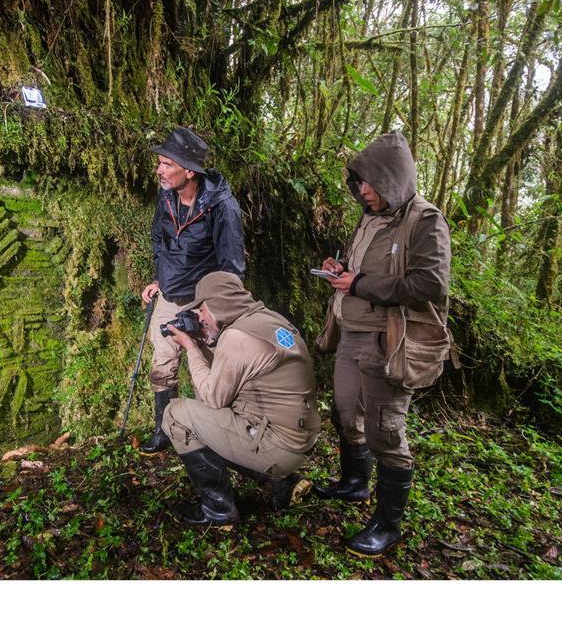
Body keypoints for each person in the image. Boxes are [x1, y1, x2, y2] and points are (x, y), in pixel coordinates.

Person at [315, 131, 451, 558]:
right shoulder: (370, 216)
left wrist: (361, 283)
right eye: (359, 182)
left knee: (384, 430)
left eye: (370, 183)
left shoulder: (425, 221)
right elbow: (360, 270)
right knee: (345, 412)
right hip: (350, 333)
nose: (363, 191)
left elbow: (431, 283)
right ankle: (355, 483)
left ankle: (388, 524)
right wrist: (342, 268)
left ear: (393, 179)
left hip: (389, 341)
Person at [160, 271, 321, 525]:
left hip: (279, 446)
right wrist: (207, 342)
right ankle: (283, 483)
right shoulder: (269, 320)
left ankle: (217, 510)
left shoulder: (237, 337)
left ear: (215, 305)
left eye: (201, 311)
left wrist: (191, 348)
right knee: (214, 423)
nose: (200, 318)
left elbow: (212, 399)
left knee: (176, 415)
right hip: (300, 438)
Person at [138, 127, 246, 455]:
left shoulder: (221, 207)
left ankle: (215, 435)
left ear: (188, 170)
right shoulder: (167, 195)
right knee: (162, 363)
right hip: (170, 295)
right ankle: (164, 430)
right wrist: (162, 278)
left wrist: (215, 310)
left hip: (204, 300)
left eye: (166, 164)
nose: (159, 170)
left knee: (210, 369)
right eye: (159, 163)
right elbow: (160, 239)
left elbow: (231, 266)